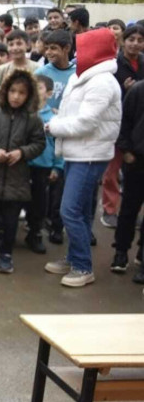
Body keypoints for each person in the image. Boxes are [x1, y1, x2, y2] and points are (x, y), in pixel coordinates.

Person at [44, 28, 122, 287]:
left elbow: (86, 122)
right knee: (79, 210)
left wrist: (53, 126)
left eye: (82, 47)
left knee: (70, 210)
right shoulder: (87, 77)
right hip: (78, 152)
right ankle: (75, 256)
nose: (78, 52)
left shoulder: (101, 82)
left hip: (89, 155)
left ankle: (82, 266)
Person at [0, 71, 45, 274]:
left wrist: (22, 152)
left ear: (29, 95)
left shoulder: (33, 119)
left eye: (22, 93)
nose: (16, 96)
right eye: (13, 91)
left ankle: (6, 253)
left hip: (17, 179)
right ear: (5, 91)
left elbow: (39, 143)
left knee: (11, 220)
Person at [102, 25, 144, 228]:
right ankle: (109, 210)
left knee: (135, 173)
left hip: (139, 127)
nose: (135, 44)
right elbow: (106, 94)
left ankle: (129, 211)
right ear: (123, 41)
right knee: (112, 170)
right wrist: (124, 89)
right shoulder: (113, 65)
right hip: (116, 124)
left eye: (140, 40)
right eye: (131, 39)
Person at [26, 75, 64, 254]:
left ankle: (35, 233)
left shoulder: (55, 118)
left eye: (39, 88)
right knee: (17, 198)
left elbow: (59, 144)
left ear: (49, 93)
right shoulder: (23, 113)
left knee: (39, 203)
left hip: (43, 166)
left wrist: (57, 166)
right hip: (22, 164)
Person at [112, 76, 144, 283]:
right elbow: (122, 121)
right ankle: (121, 251)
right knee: (129, 209)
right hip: (137, 160)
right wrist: (126, 150)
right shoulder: (138, 90)